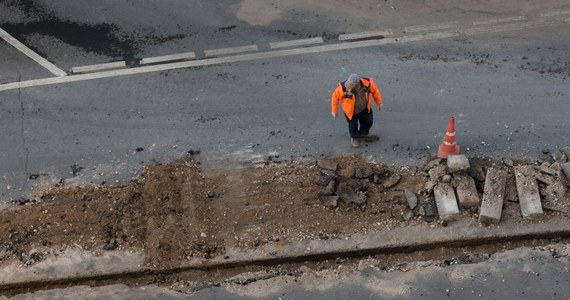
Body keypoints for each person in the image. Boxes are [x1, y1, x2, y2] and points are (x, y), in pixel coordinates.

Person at [331, 73, 383, 147]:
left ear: (357, 84)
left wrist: (379, 102)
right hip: (351, 112)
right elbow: (335, 97)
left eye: (351, 86)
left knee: (369, 121)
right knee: (353, 125)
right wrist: (334, 110)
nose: (349, 87)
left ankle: (364, 132)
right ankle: (354, 137)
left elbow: (375, 92)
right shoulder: (342, 88)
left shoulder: (368, 83)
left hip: (364, 108)